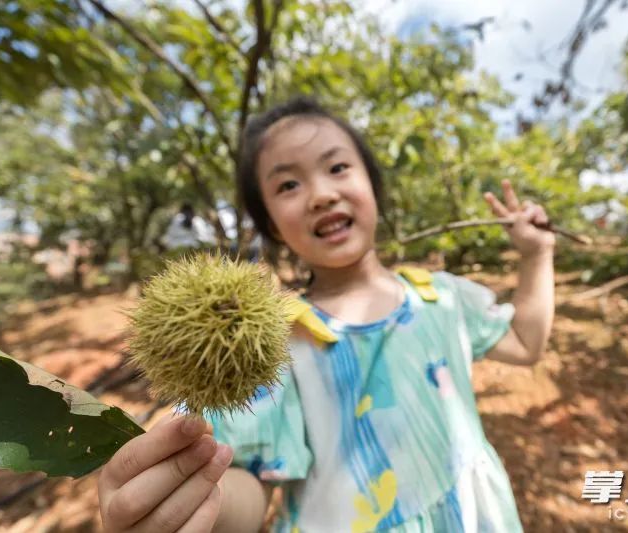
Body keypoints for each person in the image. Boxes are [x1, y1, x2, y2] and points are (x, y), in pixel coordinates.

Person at [98, 97, 555, 532]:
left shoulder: (443, 297)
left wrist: (537, 256)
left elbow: (526, 344)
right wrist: (193, 502)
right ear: (273, 225)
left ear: (372, 187)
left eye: (337, 167)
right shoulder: (275, 342)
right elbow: (251, 483)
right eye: (288, 185)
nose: (320, 194)